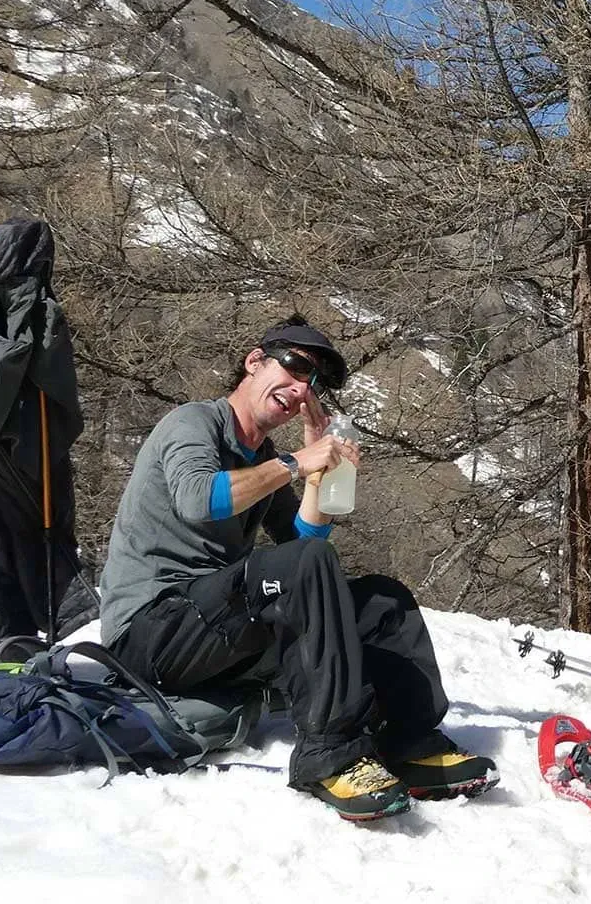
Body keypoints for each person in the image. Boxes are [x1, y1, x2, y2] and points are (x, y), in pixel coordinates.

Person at [98, 315, 495, 821]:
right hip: (150, 633)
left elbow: (303, 541)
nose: (301, 386)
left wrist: (322, 477)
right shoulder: (193, 422)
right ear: (254, 361)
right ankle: (328, 755)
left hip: (212, 630)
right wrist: (296, 463)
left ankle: (411, 739)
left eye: (313, 381)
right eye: (295, 365)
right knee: (303, 567)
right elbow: (199, 499)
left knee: (381, 601)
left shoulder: (260, 454)